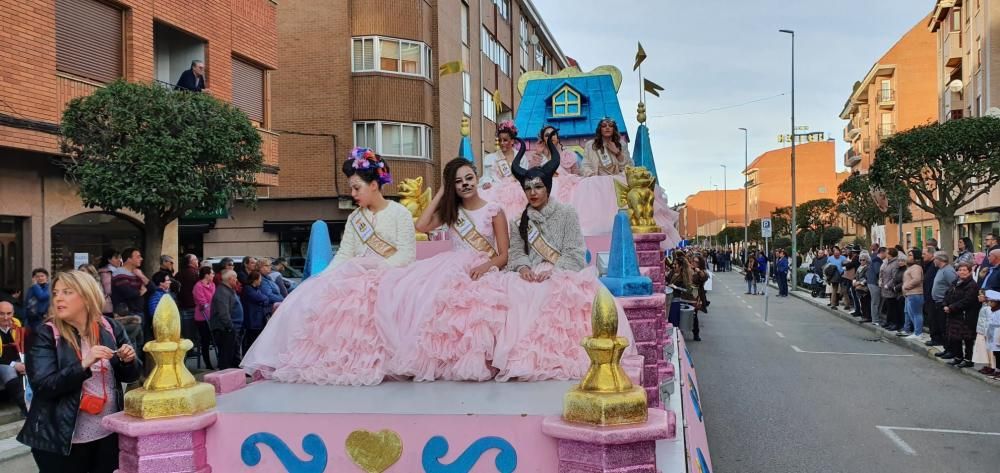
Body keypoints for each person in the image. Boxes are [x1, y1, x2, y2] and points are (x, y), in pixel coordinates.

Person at [241, 148, 416, 384]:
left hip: (390, 279)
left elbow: (406, 254)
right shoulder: (355, 218)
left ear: (374, 184)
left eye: (357, 188)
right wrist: (324, 278)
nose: (353, 193)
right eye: (352, 188)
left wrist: (378, 271)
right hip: (357, 277)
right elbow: (344, 253)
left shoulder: (399, 213)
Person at [17, 270, 140, 473]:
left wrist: (128, 361)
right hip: (62, 440)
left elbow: (132, 375)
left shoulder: (110, 327)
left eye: (67, 292)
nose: (58, 298)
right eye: (55, 293)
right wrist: (83, 364)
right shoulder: (45, 333)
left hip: (107, 435)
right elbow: (43, 386)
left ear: (86, 295)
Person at [479, 120, 528, 219]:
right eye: (499, 140)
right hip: (496, 193)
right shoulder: (490, 158)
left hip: (517, 194)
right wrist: (486, 182)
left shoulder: (521, 157)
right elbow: (486, 176)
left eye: (505, 140)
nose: (502, 143)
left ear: (512, 141)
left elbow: (525, 177)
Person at [938, 262, 980, 368]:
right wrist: (945, 304)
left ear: (970, 271)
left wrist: (951, 307)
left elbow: (967, 300)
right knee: (955, 337)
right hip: (953, 315)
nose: (961, 272)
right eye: (960, 270)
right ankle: (958, 357)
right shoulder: (955, 282)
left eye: (964, 270)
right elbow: (947, 294)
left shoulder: (972, 285)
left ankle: (968, 359)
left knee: (967, 338)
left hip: (966, 315)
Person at [210, 269, 242, 370]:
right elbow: (223, 313)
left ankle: (236, 372)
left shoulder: (228, 289)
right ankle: (225, 376)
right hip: (224, 329)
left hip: (231, 328)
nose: (237, 280)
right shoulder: (222, 292)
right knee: (226, 356)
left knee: (233, 353)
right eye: (235, 278)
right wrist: (230, 327)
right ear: (230, 279)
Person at [0, 301, 27, 416]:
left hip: (16, 359)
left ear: (13, 313)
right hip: (2, 362)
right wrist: (14, 365)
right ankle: (25, 408)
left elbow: (23, 346)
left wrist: (24, 362)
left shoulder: (17, 324)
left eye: (9, 313)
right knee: (9, 370)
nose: (6, 317)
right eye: (1, 314)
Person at [927, 252, 957, 347]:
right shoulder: (940, 269)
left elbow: (953, 286)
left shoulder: (948, 271)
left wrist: (947, 301)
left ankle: (948, 347)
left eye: (935, 259)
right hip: (937, 301)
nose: (934, 261)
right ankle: (943, 344)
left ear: (940, 260)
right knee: (938, 324)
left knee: (944, 326)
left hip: (943, 302)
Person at [240, 271, 272, 354]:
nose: (260, 281)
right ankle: (246, 356)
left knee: (254, 340)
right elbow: (261, 298)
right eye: (259, 279)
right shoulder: (248, 289)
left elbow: (265, 299)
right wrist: (263, 300)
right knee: (250, 340)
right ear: (255, 280)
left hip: (257, 319)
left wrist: (263, 300)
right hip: (252, 319)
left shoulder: (255, 289)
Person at [111, 248, 147, 318]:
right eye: (138, 257)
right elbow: (129, 293)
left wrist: (142, 277)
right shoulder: (119, 273)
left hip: (139, 311)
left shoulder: (138, 272)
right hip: (127, 313)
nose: (141, 259)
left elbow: (152, 288)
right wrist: (141, 292)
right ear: (129, 259)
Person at [192, 266, 216, 370]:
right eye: (212, 273)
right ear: (206, 275)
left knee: (214, 338)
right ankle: (207, 363)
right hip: (202, 317)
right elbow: (202, 302)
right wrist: (208, 305)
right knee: (205, 340)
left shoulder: (213, 285)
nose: (213, 275)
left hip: (213, 315)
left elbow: (214, 299)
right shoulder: (198, 286)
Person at [899, 248, 924, 339]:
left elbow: (916, 279)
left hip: (915, 294)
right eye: (908, 255)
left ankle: (918, 333)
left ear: (916, 258)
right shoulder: (911, 267)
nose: (908, 257)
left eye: (910, 255)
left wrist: (906, 287)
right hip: (910, 294)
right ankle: (916, 332)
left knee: (916, 314)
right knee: (911, 313)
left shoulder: (916, 267)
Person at [878, 247, 904, 331]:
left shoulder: (895, 263)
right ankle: (889, 322)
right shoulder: (887, 262)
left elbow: (894, 277)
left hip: (891, 289)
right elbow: (883, 273)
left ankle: (894, 323)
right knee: (889, 307)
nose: (886, 254)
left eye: (887, 253)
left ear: (891, 255)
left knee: (893, 307)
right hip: (885, 288)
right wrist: (881, 280)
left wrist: (888, 285)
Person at [97, 250, 123, 316]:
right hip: (109, 306)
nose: (119, 260)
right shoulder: (107, 272)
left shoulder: (115, 271)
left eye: (120, 258)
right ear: (109, 260)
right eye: (116, 258)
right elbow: (108, 290)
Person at [981, 290, 1000, 377]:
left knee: (998, 353)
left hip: (997, 334)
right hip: (992, 333)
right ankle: (996, 369)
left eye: (991, 302)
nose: (989, 303)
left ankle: (998, 370)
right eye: (989, 301)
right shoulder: (992, 310)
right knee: (995, 353)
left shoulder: (998, 312)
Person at [853, 252, 872, 322]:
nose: (861, 261)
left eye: (863, 260)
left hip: (865, 288)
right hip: (858, 287)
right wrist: (854, 281)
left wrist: (860, 282)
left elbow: (867, 278)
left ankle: (867, 316)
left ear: (867, 260)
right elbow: (856, 276)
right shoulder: (859, 267)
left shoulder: (868, 267)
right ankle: (864, 315)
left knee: (866, 302)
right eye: (860, 260)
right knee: (862, 302)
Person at [868, 247, 885, 325]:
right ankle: (875, 320)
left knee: (877, 302)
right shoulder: (877, 260)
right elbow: (878, 272)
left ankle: (877, 318)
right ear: (882, 252)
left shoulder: (876, 259)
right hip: (874, 283)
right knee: (875, 302)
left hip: (873, 282)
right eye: (886, 253)